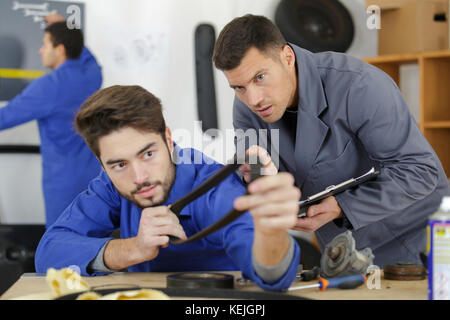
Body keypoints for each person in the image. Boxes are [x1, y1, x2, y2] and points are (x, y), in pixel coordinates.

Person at [212, 14, 450, 267]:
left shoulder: (360, 85)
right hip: (350, 253)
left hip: (425, 237)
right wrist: (257, 181)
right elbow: (257, 177)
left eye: (260, 77)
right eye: (239, 87)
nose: (253, 99)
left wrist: (343, 206)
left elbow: (420, 172)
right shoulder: (246, 107)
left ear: (287, 57)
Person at [35, 85, 301, 291]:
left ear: (169, 140)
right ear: (102, 165)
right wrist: (132, 249)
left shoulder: (212, 187)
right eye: (118, 164)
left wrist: (270, 231)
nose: (139, 177)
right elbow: (49, 252)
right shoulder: (110, 185)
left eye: (148, 154)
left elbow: (274, 277)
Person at [0, 15, 102, 227]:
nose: (40, 50)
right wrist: (67, 27)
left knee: (60, 245)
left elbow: (4, 118)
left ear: (60, 49)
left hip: (63, 184)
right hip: (94, 179)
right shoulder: (91, 77)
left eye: (45, 44)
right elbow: (88, 58)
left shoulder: (48, 86)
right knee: (93, 241)